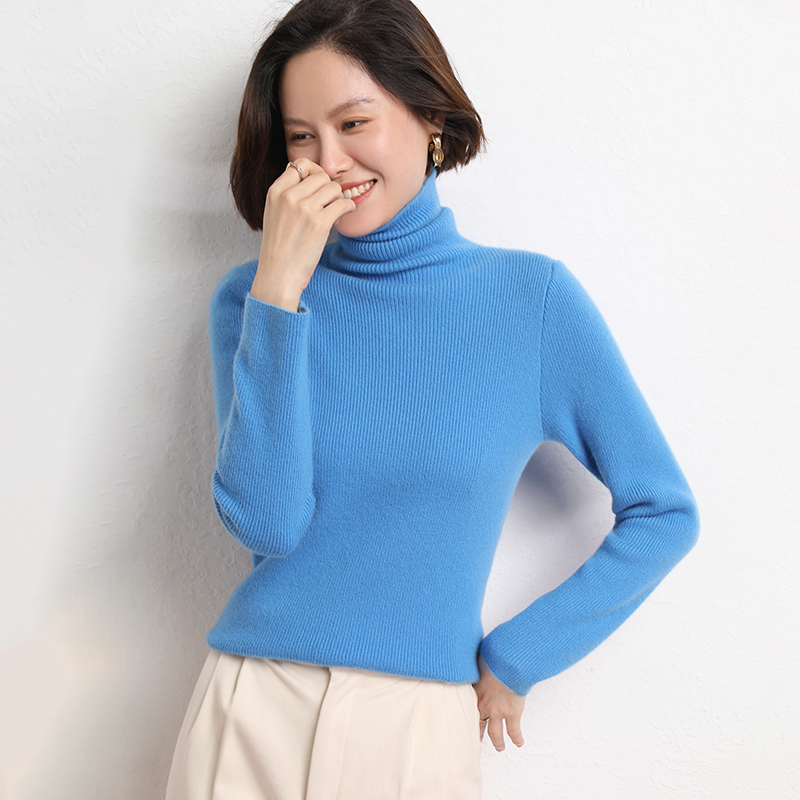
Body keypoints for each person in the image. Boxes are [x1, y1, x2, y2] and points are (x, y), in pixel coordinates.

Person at [165, 0, 700, 797]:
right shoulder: (252, 300)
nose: (328, 161)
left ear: (430, 118)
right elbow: (269, 524)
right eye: (301, 137)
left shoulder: (531, 302)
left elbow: (665, 511)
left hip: (416, 727)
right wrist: (279, 291)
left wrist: (520, 655)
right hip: (252, 706)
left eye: (354, 123)